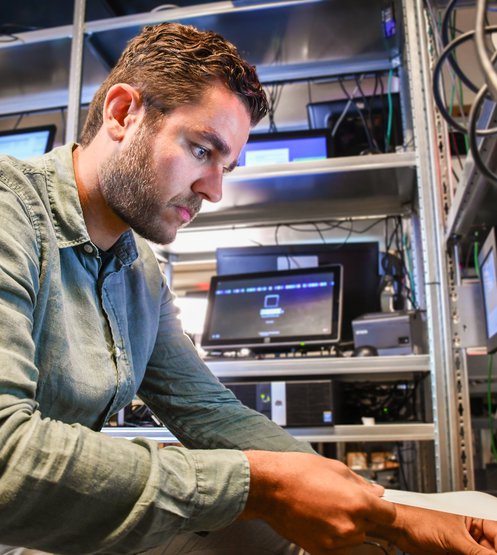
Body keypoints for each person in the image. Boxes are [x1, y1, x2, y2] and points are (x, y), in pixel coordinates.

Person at [0, 21, 496, 555]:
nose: (214, 190)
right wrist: (264, 484)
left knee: (306, 539)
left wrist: (387, 516)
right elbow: (6, 462)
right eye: (200, 151)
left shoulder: (138, 270)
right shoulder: (12, 216)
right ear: (123, 114)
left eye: (226, 166)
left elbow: (210, 412)